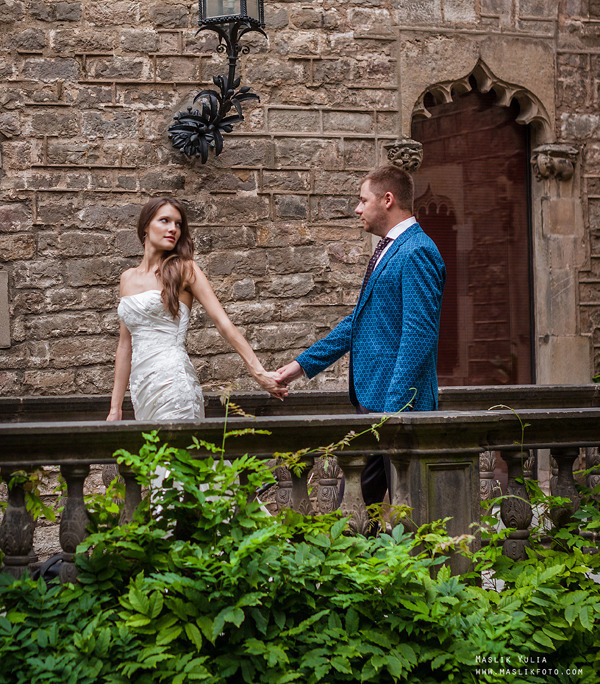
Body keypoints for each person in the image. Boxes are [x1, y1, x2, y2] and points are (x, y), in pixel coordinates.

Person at [274, 165, 446, 508]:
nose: (356, 208)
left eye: (362, 200)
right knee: (355, 509)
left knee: (413, 511)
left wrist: (391, 413)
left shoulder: (417, 251)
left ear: (387, 200)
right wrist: (300, 367)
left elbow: (418, 335)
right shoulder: (389, 248)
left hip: (397, 410)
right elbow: (359, 323)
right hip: (373, 406)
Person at [107, 196, 287, 422]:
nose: (173, 229)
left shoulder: (185, 269)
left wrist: (258, 372)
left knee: (176, 456)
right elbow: (125, 345)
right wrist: (116, 408)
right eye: (165, 220)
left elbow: (223, 324)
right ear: (145, 226)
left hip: (173, 382)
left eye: (178, 224)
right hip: (142, 388)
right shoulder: (127, 278)